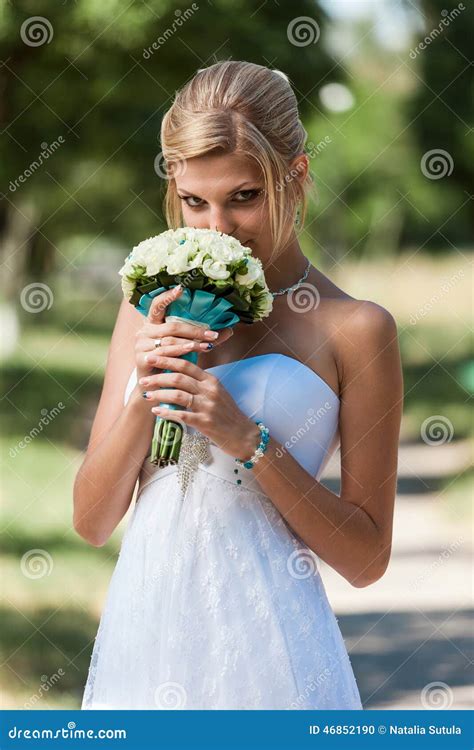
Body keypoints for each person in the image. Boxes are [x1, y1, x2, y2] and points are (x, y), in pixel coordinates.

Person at [74, 60, 403, 710]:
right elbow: (91, 521)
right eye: (195, 202)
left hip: (274, 653)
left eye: (243, 197)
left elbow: (366, 560)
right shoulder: (147, 306)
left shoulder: (356, 329)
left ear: (296, 175)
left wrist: (249, 441)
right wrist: (151, 388)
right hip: (146, 642)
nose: (217, 227)